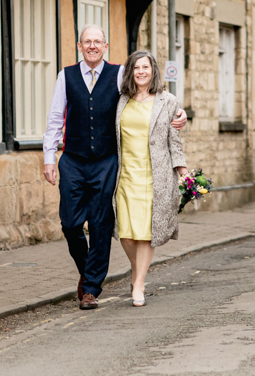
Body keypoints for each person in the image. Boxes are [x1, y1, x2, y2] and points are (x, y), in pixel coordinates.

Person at [43, 25, 186, 310]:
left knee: (99, 224)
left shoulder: (120, 73)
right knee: (70, 224)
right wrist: (49, 157)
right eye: (87, 42)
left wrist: (179, 113)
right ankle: (88, 273)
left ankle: (91, 289)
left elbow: (147, 94)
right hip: (72, 158)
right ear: (79, 46)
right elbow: (55, 117)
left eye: (98, 41)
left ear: (106, 46)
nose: (93, 46)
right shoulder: (66, 76)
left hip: (107, 161)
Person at [114, 50, 186, 307]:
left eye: (145, 67)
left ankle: (139, 284)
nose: (141, 72)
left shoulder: (167, 101)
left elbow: (173, 140)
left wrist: (182, 170)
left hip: (154, 176)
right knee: (125, 231)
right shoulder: (121, 100)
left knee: (146, 232)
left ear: (153, 70)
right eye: (136, 68)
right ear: (130, 72)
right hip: (125, 176)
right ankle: (138, 269)